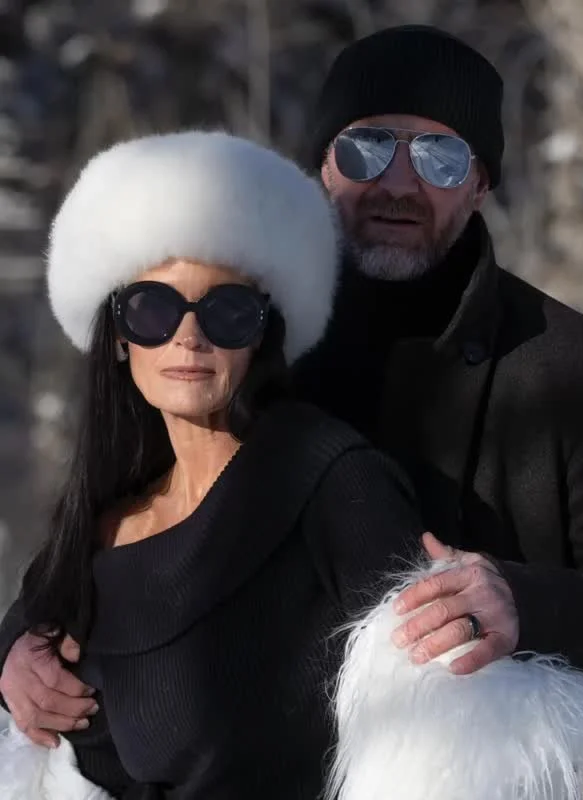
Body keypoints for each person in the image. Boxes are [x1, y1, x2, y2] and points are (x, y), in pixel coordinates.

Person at [2, 22, 583, 742]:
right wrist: (21, 642)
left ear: (481, 184)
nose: (397, 184)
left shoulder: (572, 365)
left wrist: (525, 604)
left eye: (439, 157)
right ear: (324, 165)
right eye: (367, 148)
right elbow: (119, 497)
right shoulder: (238, 324)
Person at [0, 130, 434, 797]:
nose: (189, 336)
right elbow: (26, 629)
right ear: (118, 336)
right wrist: (11, 660)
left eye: (228, 311)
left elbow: (438, 709)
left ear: (261, 334)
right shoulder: (102, 522)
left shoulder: (327, 478)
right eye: (153, 308)